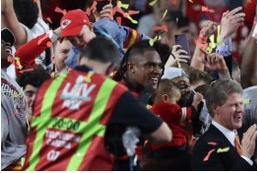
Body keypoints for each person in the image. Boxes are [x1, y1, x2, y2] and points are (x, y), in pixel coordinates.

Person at [23, 37, 172, 170]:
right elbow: (164, 135)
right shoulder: (111, 92)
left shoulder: (48, 87)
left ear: (80, 58)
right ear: (111, 68)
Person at [193, 79, 257, 170]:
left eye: (241, 104)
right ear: (215, 108)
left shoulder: (240, 139)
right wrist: (245, 158)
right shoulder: (205, 146)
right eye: (234, 105)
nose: (240, 110)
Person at [143, 78, 198, 170]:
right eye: (176, 101)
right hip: (176, 147)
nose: (177, 104)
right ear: (165, 98)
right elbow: (189, 113)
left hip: (158, 150)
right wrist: (196, 102)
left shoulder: (150, 112)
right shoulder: (168, 108)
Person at [2, 32, 28, 170]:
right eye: (1, 42)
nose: (7, 45)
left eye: (8, 43)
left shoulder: (13, 82)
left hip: (16, 159)